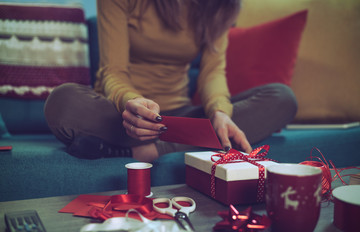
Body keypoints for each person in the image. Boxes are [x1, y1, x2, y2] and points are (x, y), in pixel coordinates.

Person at [44, 0, 297, 162]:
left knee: (282, 99)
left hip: (179, 120)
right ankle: (190, 144)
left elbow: (212, 73)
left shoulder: (222, 5)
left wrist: (220, 112)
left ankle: (146, 150)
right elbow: (113, 70)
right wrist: (133, 103)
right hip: (124, 115)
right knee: (62, 101)